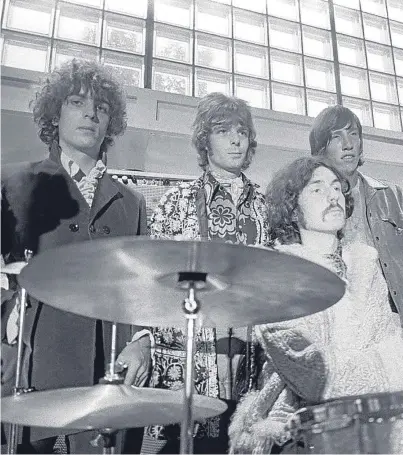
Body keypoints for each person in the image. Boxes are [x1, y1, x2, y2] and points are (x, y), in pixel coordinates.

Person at [1, 59, 149, 453]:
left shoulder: (131, 202)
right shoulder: (14, 183)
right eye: (76, 102)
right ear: (55, 113)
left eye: (101, 107)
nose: (90, 113)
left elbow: (144, 287)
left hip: (109, 376)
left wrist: (141, 341)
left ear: (110, 121)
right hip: (29, 367)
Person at [228, 156, 403, 453]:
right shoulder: (275, 272)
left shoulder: (366, 265)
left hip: (376, 429)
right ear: (292, 208)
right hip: (297, 432)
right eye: (317, 189)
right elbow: (315, 375)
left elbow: (391, 344)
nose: (333, 195)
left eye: (336, 188)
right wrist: (382, 366)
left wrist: (374, 363)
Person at [141, 92, 270, 453]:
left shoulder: (265, 207)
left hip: (250, 367)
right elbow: (155, 283)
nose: (235, 139)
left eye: (242, 131)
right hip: (191, 365)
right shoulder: (176, 201)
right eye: (222, 130)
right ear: (204, 141)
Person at [309, 105, 403, 322]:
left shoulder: (393, 196)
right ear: (321, 147)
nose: (348, 144)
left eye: (353, 134)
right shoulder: (309, 203)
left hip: (395, 320)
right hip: (346, 323)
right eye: (336, 137)